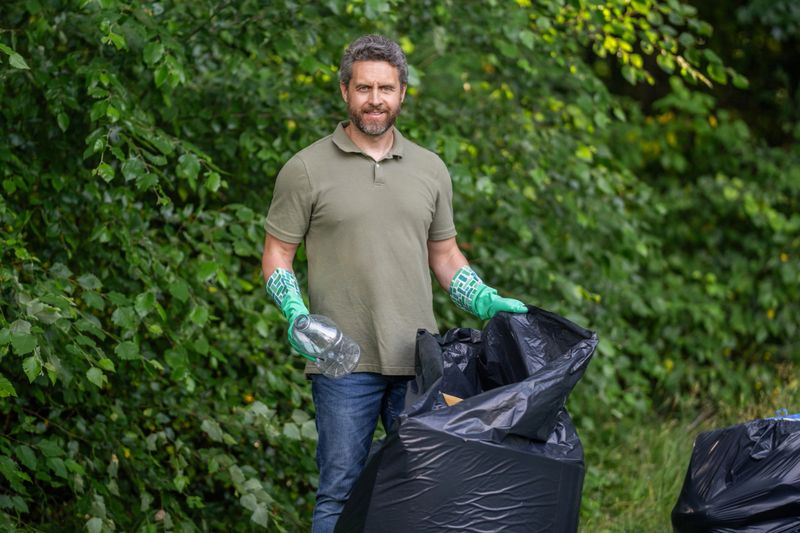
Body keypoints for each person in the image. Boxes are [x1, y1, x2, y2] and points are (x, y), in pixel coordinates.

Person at [261, 34, 528, 533]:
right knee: (339, 491)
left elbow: (444, 256)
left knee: (425, 492)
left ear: (403, 92)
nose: (375, 100)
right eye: (364, 88)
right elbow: (277, 256)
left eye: (386, 88)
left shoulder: (430, 169)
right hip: (340, 363)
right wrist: (295, 312)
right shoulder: (305, 169)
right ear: (345, 91)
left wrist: (487, 301)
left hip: (418, 363)